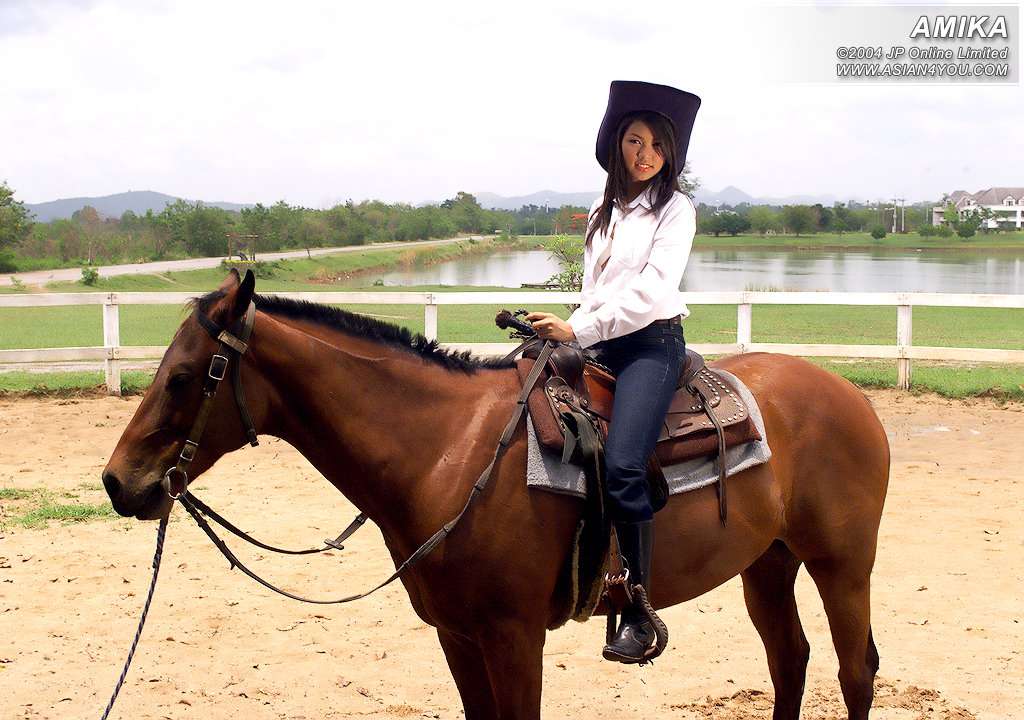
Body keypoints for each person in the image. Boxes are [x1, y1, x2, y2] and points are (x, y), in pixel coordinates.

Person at [526, 80, 700, 664]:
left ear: (670, 153)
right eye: (635, 141)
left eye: (657, 144)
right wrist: (566, 328)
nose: (645, 154)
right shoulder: (603, 215)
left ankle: (640, 612)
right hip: (600, 340)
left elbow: (650, 292)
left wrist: (578, 331)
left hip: (652, 345)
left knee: (624, 463)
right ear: (617, 146)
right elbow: (596, 291)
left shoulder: (676, 210)